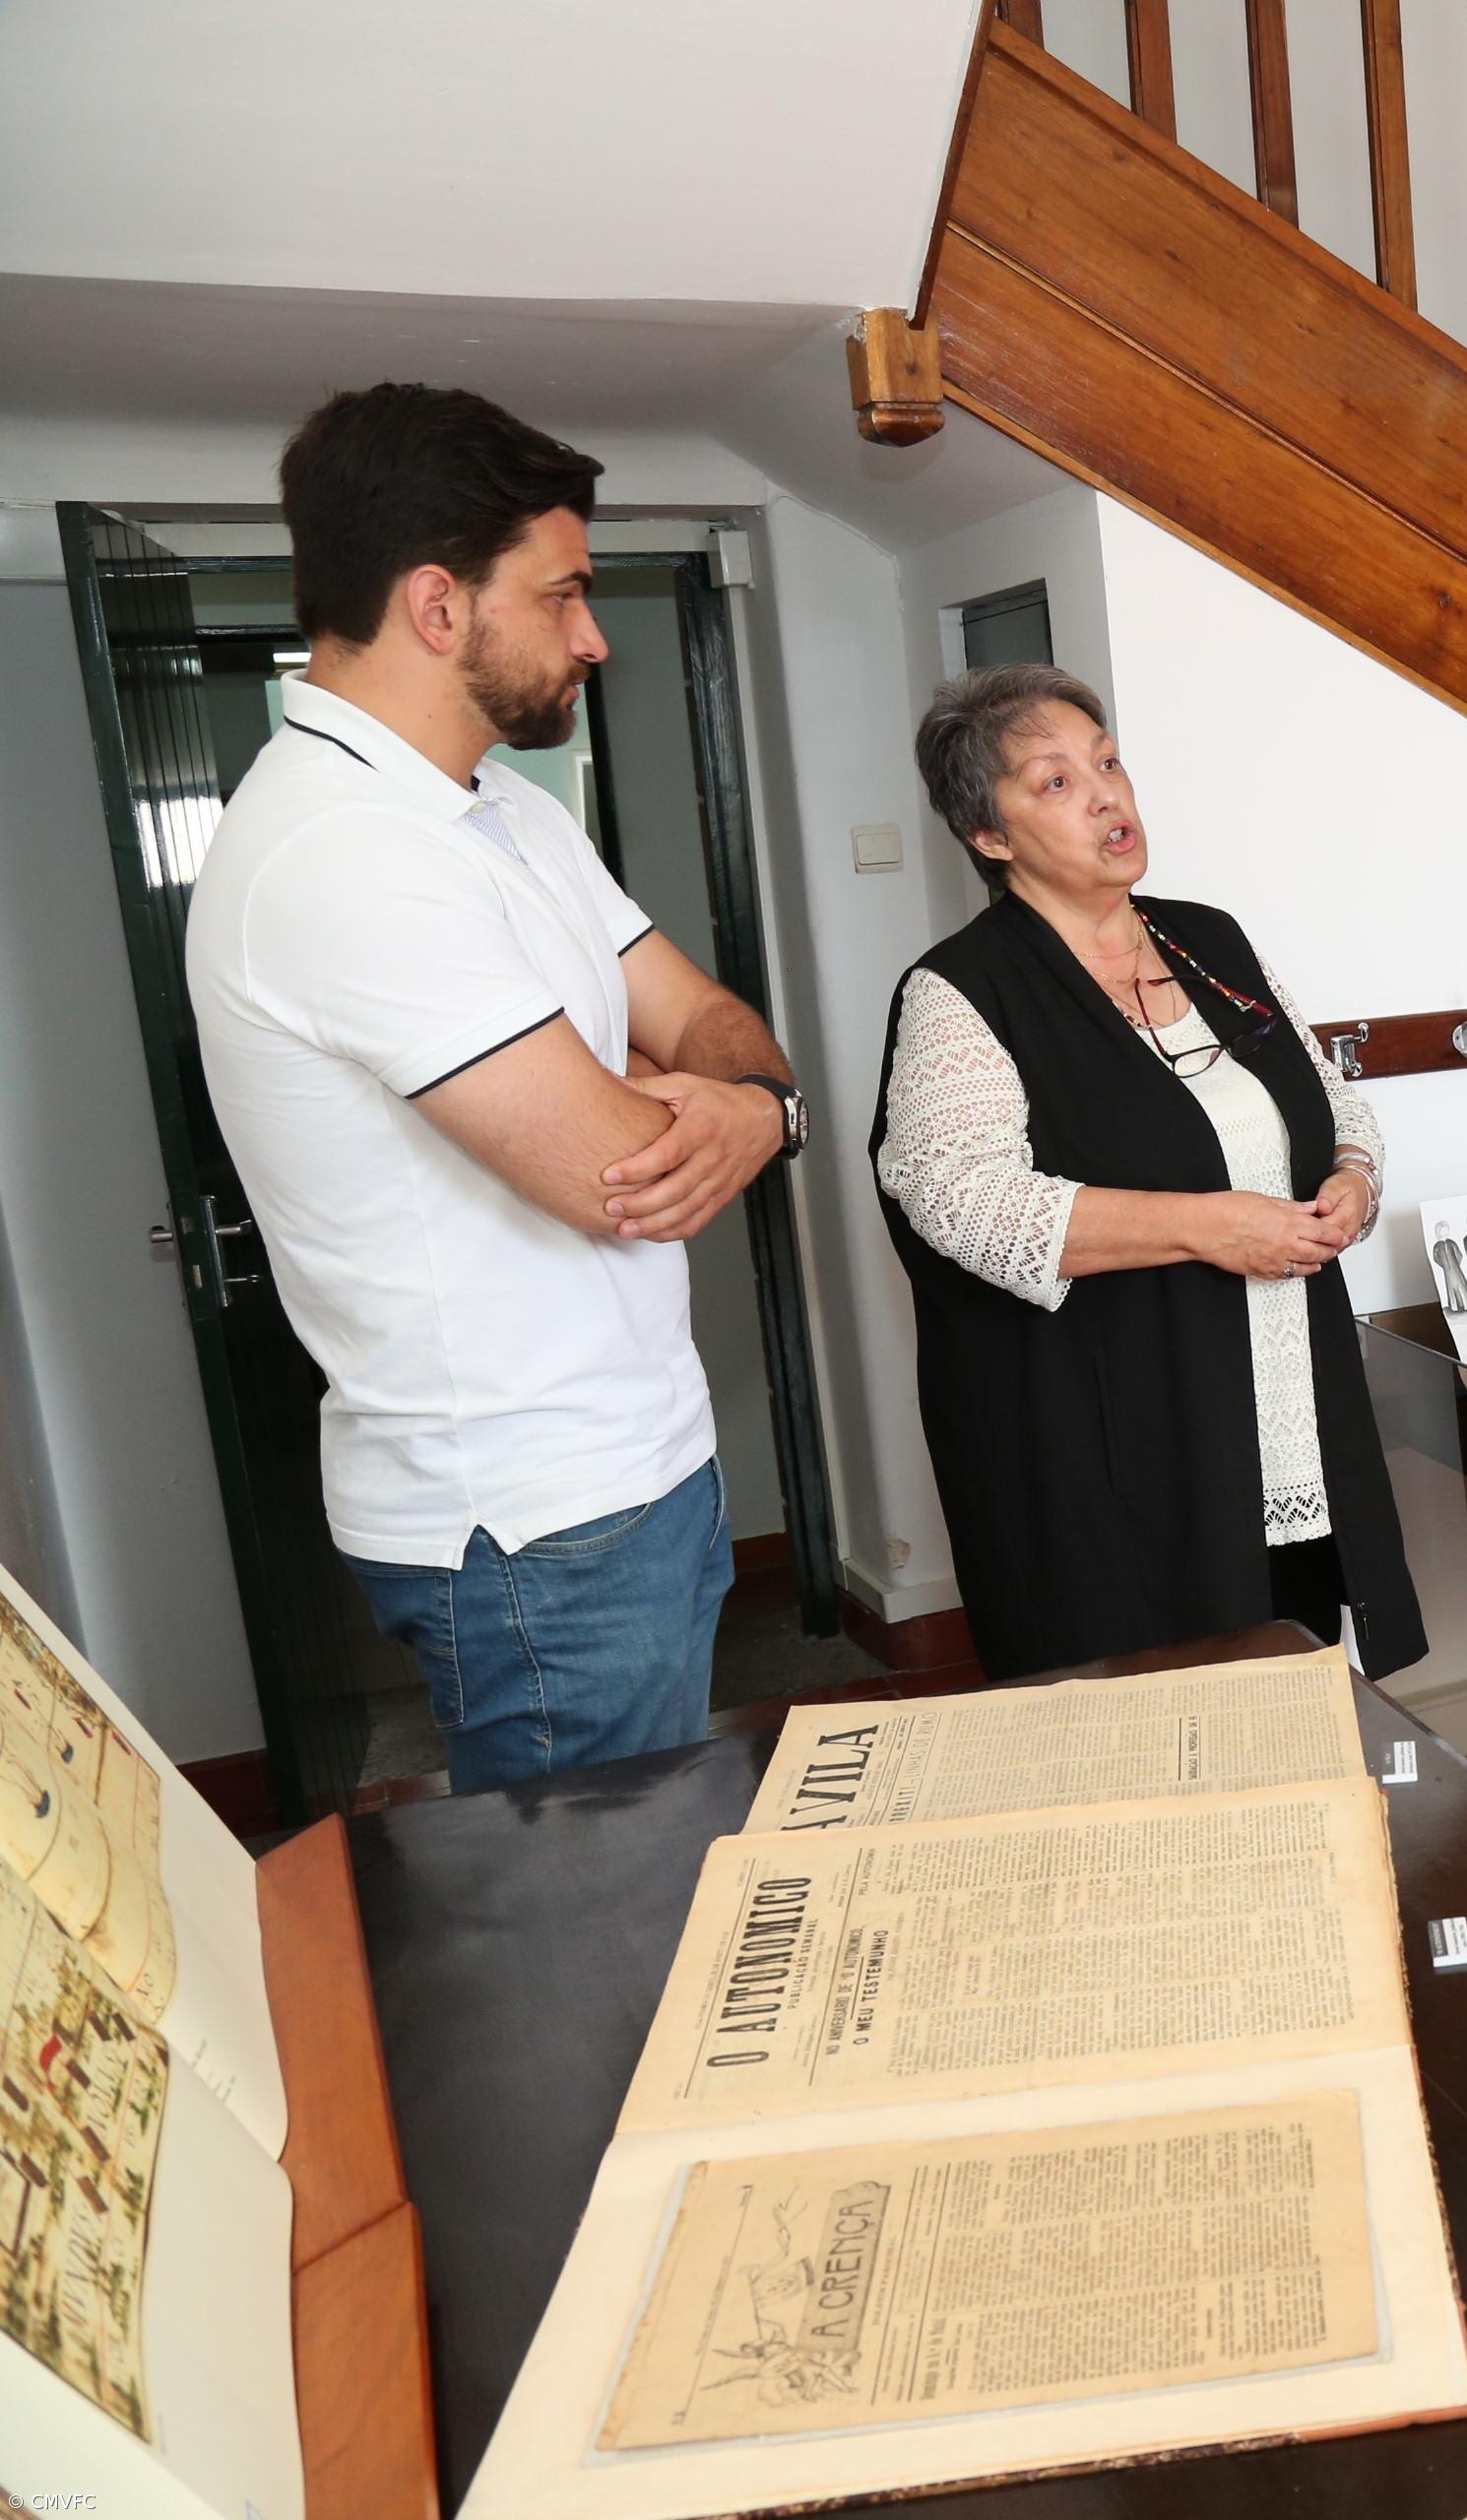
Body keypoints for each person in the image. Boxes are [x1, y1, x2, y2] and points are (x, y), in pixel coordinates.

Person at [189, 384, 801, 1793]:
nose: (594, 635)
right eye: (565, 593)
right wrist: (745, 1111)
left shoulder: (504, 812)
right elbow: (617, 1175)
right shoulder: (343, 852)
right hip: (530, 1526)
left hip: (637, 1466)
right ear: (437, 607)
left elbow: (708, 1018)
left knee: (658, 1898)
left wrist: (740, 1102)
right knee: (589, 1960)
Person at [873, 664, 1424, 1680]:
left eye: (1108, 762)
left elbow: (1331, 1100)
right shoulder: (962, 990)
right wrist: (1211, 1226)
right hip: (1119, 1444)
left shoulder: (1207, 939)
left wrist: (1352, 1175)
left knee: (1300, 1687)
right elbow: (962, 1202)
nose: (1105, 796)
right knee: (1164, 1731)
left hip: (1283, 1414)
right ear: (988, 837)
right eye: (1054, 782)